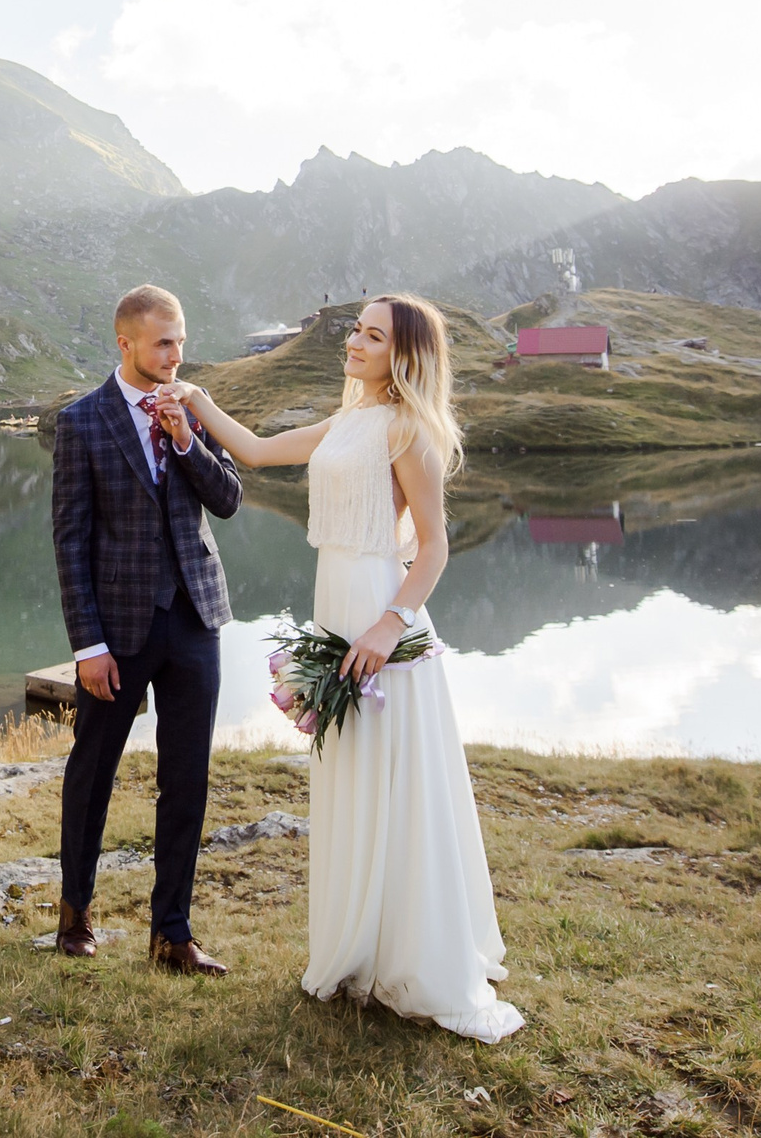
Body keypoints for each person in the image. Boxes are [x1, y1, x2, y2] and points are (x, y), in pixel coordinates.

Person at [170, 294, 524, 1042]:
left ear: (405, 354)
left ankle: (410, 952)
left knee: (393, 778)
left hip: (378, 620)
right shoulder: (350, 419)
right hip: (335, 607)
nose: (353, 342)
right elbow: (260, 452)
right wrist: (197, 402)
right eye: (356, 330)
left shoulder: (408, 430)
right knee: (352, 773)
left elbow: (432, 547)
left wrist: (389, 625)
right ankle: (357, 943)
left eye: (372, 335)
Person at [50, 283, 242, 975]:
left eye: (182, 340)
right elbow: (70, 540)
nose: (177, 354)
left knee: (187, 778)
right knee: (92, 773)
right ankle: (75, 912)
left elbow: (228, 501)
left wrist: (187, 440)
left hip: (195, 617)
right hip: (119, 631)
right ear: (125, 341)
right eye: (164, 342)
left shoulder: (190, 408)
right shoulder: (81, 422)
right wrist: (88, 644)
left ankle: (173, 934)